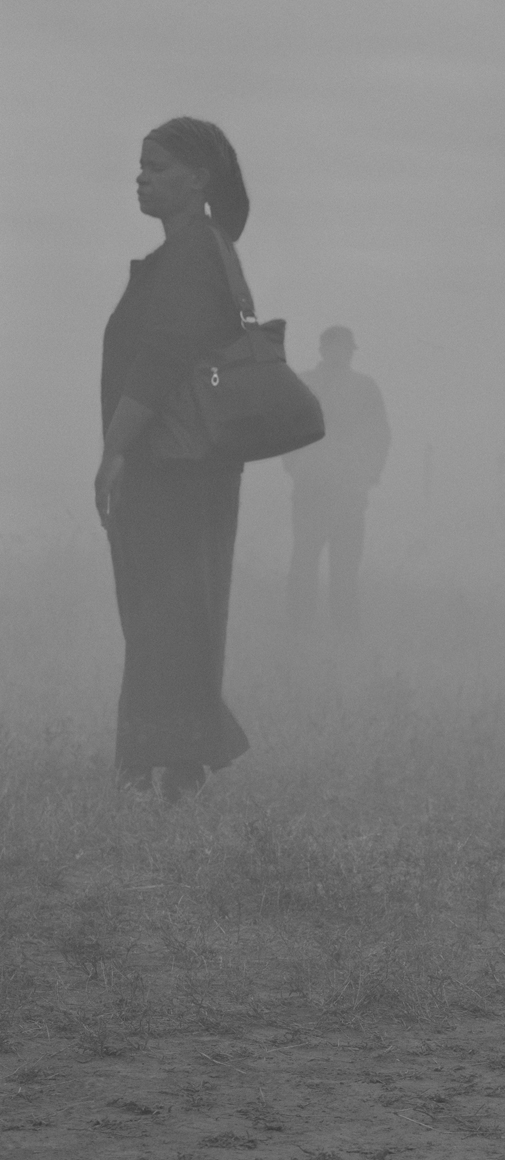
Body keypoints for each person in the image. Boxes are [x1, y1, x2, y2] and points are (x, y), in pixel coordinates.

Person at [99, 117, 258, 800]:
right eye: (140, 164)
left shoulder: (195, 251)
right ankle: (168, 761)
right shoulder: (200, 248)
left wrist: (113, 448)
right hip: (190, 463)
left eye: (158, 166)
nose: (142, 176)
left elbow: (162, 359)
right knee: (176, 608)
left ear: (199, 179)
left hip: (172, 463)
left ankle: (169, 761)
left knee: (165, 607)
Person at [282, 325, 391, 635]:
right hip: (312, 487)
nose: (341, 353)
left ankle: (342, 630)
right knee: (305, 559)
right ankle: (299, 628)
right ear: (323, 349)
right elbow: (286, 429)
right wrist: (296, 466)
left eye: (346, 348)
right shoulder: (304, 383)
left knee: (344, 564)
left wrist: (368, 476)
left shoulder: (364, 387)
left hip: (347, 490)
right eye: (337, 347)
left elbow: (380, 436)